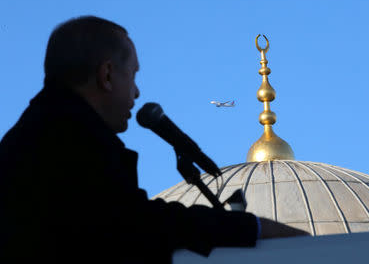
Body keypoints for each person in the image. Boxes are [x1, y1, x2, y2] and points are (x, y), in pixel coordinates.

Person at [0, 16, 308, 263]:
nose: (136, 93)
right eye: (132, 76)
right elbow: (135, 226)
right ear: (106, 76)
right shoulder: (72, 145)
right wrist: (251, 227)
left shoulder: (35, 133)